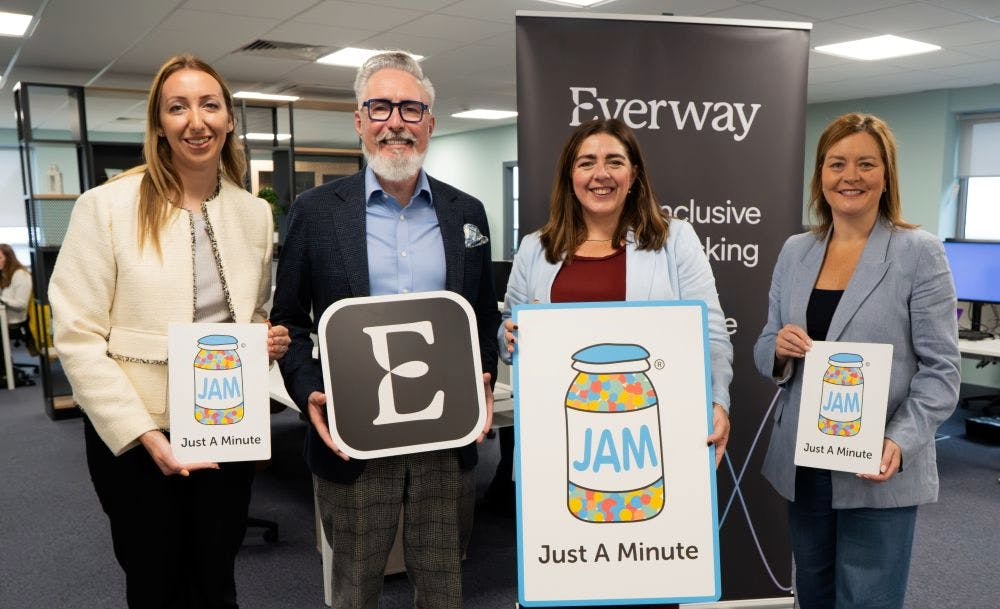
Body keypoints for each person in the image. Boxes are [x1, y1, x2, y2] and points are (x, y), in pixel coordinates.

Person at [49, 54, 290, 609]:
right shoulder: (105, 207)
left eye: (210, 105)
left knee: (217, 576)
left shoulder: (253, 213)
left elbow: (249, 315)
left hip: (225, 426)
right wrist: (142, 433)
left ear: (229, 118)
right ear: (159, 124)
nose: (195, 121)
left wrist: (264, 342)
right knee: (155, 582)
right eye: (177, 107)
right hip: (137, 431)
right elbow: (77, 336)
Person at [269, 51, 500, 609]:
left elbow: (481, 316)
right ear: (359, 119)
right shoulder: (317, 212)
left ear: (429, 123)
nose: (395, 121)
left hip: (445, 440)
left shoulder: (466, 212)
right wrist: (308, 394)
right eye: (380, 107)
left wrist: (486, 377)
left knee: (444, 586)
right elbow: (290, 321)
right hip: (355, 439)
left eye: (411, 109)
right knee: (354, 587)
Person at [499, 118, 734, 608]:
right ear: (570, 175)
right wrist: (511, 335)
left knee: (645, 585)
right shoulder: (534, 251)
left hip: (650, 445)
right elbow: (509, 339)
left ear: (634, 176)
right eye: (586, 162)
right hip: (558, 456)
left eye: (614, 162)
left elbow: (709, 332)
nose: (599, 174)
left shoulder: (675, 242)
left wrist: (717, 401)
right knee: (565, 589)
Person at [753, 113, 960, 609]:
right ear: (820, 175)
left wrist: (899, 440)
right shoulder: (796, 249)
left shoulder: (918, 252)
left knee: (868, 598)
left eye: (866, 164)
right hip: (804, 465)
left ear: (886, 175)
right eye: (837, 164)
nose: (851, 177)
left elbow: (942, 372)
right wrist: (779, 348)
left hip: (877, 465)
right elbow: (764, 346)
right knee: (816, 593)